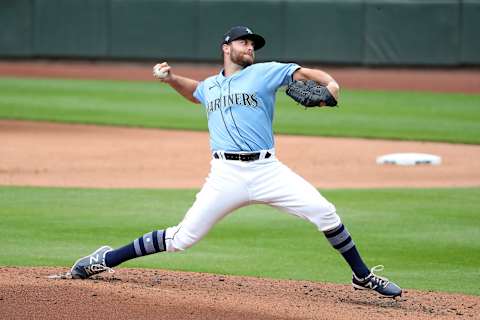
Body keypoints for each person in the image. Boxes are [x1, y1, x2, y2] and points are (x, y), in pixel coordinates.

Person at [70, 26, 402, 298]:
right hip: (226, 175)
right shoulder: (212, 85)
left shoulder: (265, 72)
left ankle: (362, 276)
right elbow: (196, 91)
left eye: (252, 44)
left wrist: (331, 84)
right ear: (226, 47)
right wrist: (171, 79)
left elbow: (305, 72)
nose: (250, 47)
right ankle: (105, 258)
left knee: (325, 212)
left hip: (267, 170)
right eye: (244, 42)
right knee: (181, 239)